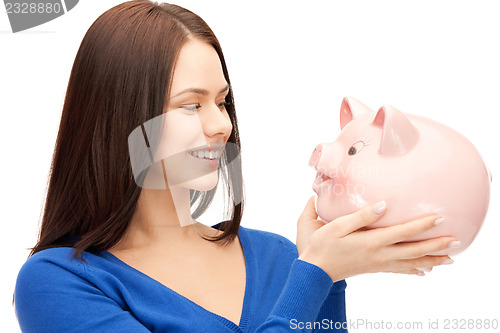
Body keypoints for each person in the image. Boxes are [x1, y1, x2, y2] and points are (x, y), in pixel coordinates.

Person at [13, 1, 458, 332]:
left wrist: (323, 274)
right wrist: (315, 275)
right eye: (191, 106)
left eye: (222, 101)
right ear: (121, 120)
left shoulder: (282, 258)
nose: (220, 124)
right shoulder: (58, 283)